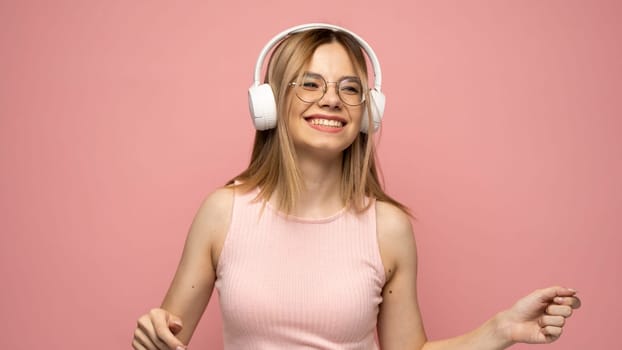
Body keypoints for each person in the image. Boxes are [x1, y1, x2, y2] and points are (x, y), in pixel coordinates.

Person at [131, 23, 581, 350]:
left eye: (350, 89)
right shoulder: (222, 212)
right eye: (309, 83)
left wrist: (502, 330)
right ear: (268, 103)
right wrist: (150, 338)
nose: (331, 99)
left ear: (368, 113)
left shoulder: (388, 227)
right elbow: (167, 339)